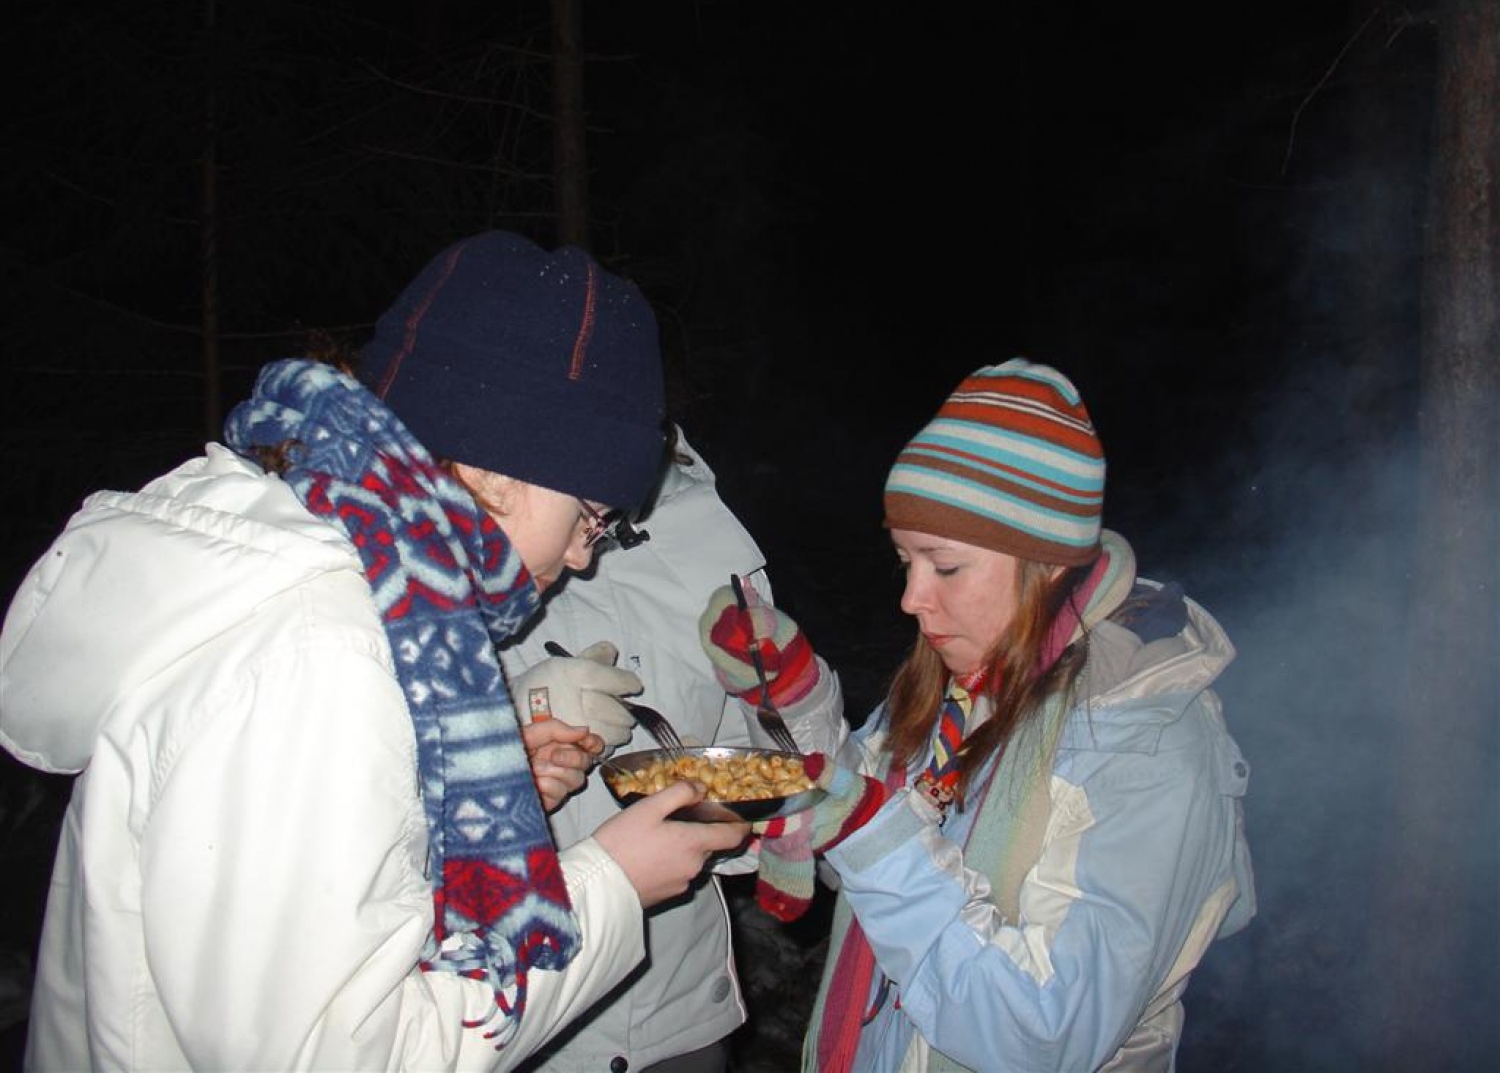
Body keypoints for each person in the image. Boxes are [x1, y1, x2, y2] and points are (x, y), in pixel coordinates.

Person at [0, 229, 750, 1072]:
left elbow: (297, 919)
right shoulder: (320, 653)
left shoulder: (303, 565)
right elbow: (338, 1053)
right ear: (502, 463)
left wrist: (442, 806)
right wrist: (611, 882)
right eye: (587, 514)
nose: (583, 554)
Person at [698, 358, 1256, 1072]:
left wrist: (874, 831)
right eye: (905, 561)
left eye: (945, 565)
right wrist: (797, 701)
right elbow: (855, 845)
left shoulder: (1148, 744)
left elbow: (1040, 1032)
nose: (911, 597)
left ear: (1046, 563)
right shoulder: (963, 682)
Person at [498, 425, 840, 1073]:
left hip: (676, 1013)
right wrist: (509, 726)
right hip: (513, 1020)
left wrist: (799, 694)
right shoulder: (453, 521)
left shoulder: (702, 532)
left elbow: (780, 767)